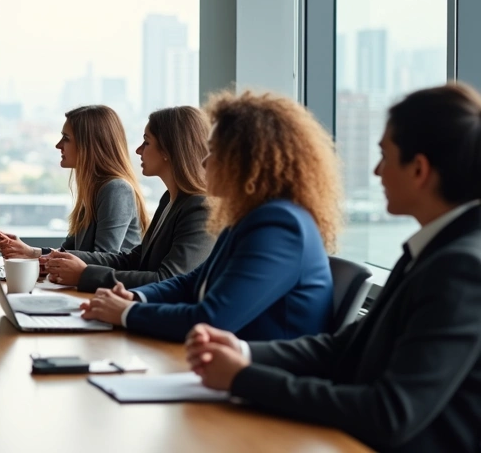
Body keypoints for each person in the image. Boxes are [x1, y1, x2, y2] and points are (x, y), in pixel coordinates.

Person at [186, 83, 481, 453]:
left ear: (419, 169)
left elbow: (389, 413)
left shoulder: (461, 267)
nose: (376, 171)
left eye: (385, 157)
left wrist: (244, 379)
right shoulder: (435, 249)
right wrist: (244, 353)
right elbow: (346, 348)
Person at [81, 91, 338, 342]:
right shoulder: (249, 216)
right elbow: (192, 282)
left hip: (259, 374)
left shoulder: (279, 226)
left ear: (247, 160)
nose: (204, 162)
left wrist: (127, 312)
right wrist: (136, 298)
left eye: (214, 151)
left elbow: (212, 318)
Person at [45, 106, 214, 291]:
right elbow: (133, 259)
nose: (138, 150)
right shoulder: (170, 200)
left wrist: (84, 274)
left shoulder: (200, 207)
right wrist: (54, 260)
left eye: (146, 142)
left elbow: (168, 279)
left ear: (167, 150)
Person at [0, 105, 148, 260]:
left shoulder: (116, 189)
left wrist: (36, 257)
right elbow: (69, 251)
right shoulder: (93, 190)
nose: (58, 145)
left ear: (88, 145)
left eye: (66, 138)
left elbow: (104, 259)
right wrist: (29, 252)